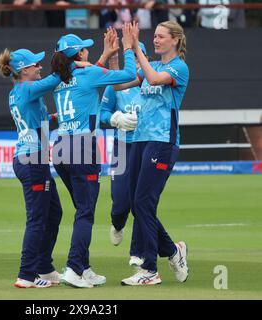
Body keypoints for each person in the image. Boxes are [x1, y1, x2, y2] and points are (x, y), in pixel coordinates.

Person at [50, 24, 138, 288]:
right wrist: (129, 47)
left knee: (81, 208)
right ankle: (75, 269)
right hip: (82, 147)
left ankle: (84, 267)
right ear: (79, 54)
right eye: (84, 49)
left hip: (61, 147)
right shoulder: (89, 74)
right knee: (86, 211)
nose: (88, 51)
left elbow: (88, 75)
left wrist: (103, 54)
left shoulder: (61, 76)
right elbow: (129, 73)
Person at [113, 21, 189, 286]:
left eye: (160, 36)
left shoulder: (178, 68)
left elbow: (155, 80)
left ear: (175, 40)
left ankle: (150, 269)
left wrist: (136, 47)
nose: (155, 40)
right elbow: (120, 84)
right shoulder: (152, 65)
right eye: (153, 36)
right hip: (141, 141)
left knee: (144, 202)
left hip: (162, 142)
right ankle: (172, 251)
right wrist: (119, 53)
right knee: (138, 204)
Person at [0, 48, 63, 288]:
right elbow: (55, 79)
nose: (40, 67)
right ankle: (26, 274)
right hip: (32, 160)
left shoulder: (20, 92)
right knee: (37, 219)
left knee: (54, 213)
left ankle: (43, 267)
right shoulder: (26, 89)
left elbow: (42, 122)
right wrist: (69, 62)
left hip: (31, 159)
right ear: (24, 69)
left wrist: (61, 116)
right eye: (36, 64)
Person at [100, 40, 148, 268]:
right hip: (121, 148)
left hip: (145, 145)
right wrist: (115, 118)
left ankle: (138, 252)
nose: (137, 63)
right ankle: (118, 224)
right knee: (120, 202)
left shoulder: (151, 82)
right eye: (135, 58)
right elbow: (102, 113)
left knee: (142, 201)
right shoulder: (117, 83)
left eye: (140, 58)